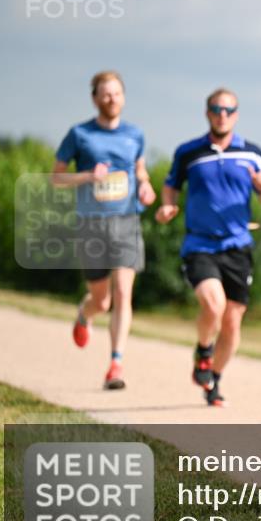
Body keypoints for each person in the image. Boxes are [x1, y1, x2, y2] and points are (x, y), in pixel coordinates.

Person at [155, 88, 261, 407]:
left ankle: (214, 380)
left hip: (238, 247)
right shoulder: (189, 152)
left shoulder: (252, 153)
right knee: (213, 304)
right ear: (207, 112)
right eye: (216, 109)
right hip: (200, 244)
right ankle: (204, 350)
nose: (222, 115)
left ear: (236, 114)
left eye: (228, 110)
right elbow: (170, 186)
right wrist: (168, 206)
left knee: (233, 322)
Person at [53, 70, 155, 390]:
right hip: (91, 225)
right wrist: (86, 177)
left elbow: (140, 170)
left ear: (123, 97)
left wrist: (146, 187)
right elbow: (56, 177)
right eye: (105, 94)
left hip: (126, 221)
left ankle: (116, 364)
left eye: (116, 93)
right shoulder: (79, 134)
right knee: (103, 301)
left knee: (124, 292)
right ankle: (85, 314)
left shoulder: (135, 134)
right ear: (95, 98)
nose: (111, 99)